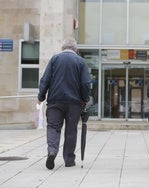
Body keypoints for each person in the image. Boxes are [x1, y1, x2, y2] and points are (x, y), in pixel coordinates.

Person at [37, 37, 91, 170]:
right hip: (74, 103)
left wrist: (41, 96)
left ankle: (52, 151)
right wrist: (85, 99)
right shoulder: (81, 61)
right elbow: (85, 83)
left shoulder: (54, 59)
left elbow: (45, 79)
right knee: (71, 130)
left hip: (55, 101)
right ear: (76, 50)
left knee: (53, 127)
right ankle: (69, 160)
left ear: (62, 48)